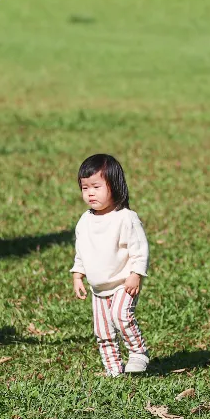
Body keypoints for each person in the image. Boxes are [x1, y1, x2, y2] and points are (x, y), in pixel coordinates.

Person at [70, 154, 150, 376]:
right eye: (85, 188)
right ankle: (113, 369)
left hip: (123, 282)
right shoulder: (85, 221)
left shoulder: (125, 218)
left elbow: (139, 249)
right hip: (99, 289)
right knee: (103, 330)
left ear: (114, 186)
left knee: (121, 316)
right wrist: (78, 274)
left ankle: (138, 352)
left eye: (96, 186)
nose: (90, 193)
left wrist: (136, 273)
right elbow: (82, 250)